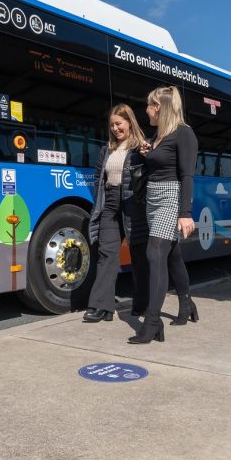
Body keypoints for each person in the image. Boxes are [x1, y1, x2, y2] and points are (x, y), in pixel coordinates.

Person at [129, 85, 199, 344]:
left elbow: (187, 175)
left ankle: (152, 321)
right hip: (152, 198)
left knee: (154, 252)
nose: (146, 110)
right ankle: (186, 303)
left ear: (158, 107)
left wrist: (186, 213)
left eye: (149, 105)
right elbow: (157, 163)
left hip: (171, 196)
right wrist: (147, 153)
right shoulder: (158, 134)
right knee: (171, 255)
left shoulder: (184, 134)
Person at [83, 105, 148, 322]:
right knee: (106, 253)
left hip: (133, 203)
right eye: (112, 125)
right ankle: (101, 306)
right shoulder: (106, 149)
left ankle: (142, 304)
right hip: (110, 203)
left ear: (129, 122)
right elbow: (97, 177)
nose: (115, 128)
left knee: (139, 254)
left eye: (118, 123)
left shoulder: (141, 147)